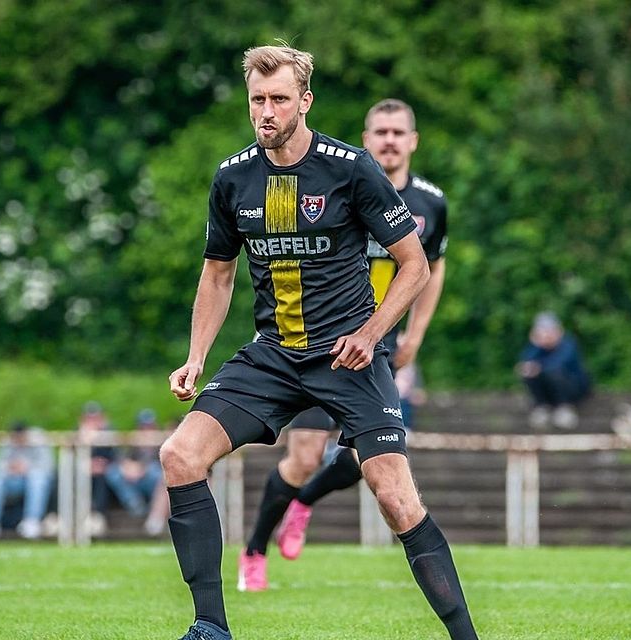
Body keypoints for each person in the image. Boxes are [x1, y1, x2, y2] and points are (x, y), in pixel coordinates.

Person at [161, 46, 477, 640]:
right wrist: (196, 356)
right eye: (258, 99)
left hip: (348, 357)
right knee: (179, 458)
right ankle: (210, 628)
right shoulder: (233, 177)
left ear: (304, 102)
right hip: (273, 355)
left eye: (279, 99)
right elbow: (219, 272)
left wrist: (372, 334)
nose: (267, 111)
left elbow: (415, 265)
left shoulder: (351, 167)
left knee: (394, 495)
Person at [239, 97, 450, 589]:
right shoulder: (344, 182)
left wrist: (414, 335)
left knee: (367, 459)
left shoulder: (430, 204)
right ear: (366, 136)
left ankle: (303, 504)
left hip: (379, 346)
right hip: (318, 344)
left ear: (413, 141)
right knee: (306, 454)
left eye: (399, 133)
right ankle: (254, 549)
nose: (390, 141)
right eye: (381, 132)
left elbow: (430, 268)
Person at [0, 420, 54, 541]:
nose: (18, 441)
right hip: (13, 481)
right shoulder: (7, 441)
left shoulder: (39, 439)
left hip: (35, 481)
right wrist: (10, 468)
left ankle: (32, 521)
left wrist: (27, 467)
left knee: (37, 478)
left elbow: (48, 467)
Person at [515, 311, 592, 429]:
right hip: (550, 391)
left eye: (549, 330)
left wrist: (538, 367)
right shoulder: (537, 347)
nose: (546, 334)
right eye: (542, 331)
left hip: (573, 390)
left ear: (558, 331)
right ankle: (542, 407)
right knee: (529, 372)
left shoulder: (568, 344)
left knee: (554, 372)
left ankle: (564, 408)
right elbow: (526, 364)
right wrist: (536, 345)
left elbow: (558, 364)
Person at [104, 408, 170, 536]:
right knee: (114, 472)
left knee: (157, 473)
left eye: (149, 426)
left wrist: (142, 468)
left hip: (153, 480)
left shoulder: (163, 442)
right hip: (134, 480)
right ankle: (134, 504)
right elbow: (121, 458)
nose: (146, 430)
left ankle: (156, 516)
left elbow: (163, 464)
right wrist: (127, 467)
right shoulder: (133, 441)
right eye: (143, 427)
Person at [77, 401, 115, 538]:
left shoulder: (109, 432)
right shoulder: (77, 433)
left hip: (103, 471)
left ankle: (98, 516)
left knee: (102, 477)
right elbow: (72, 457)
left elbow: (114, 456)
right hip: (81, 471)